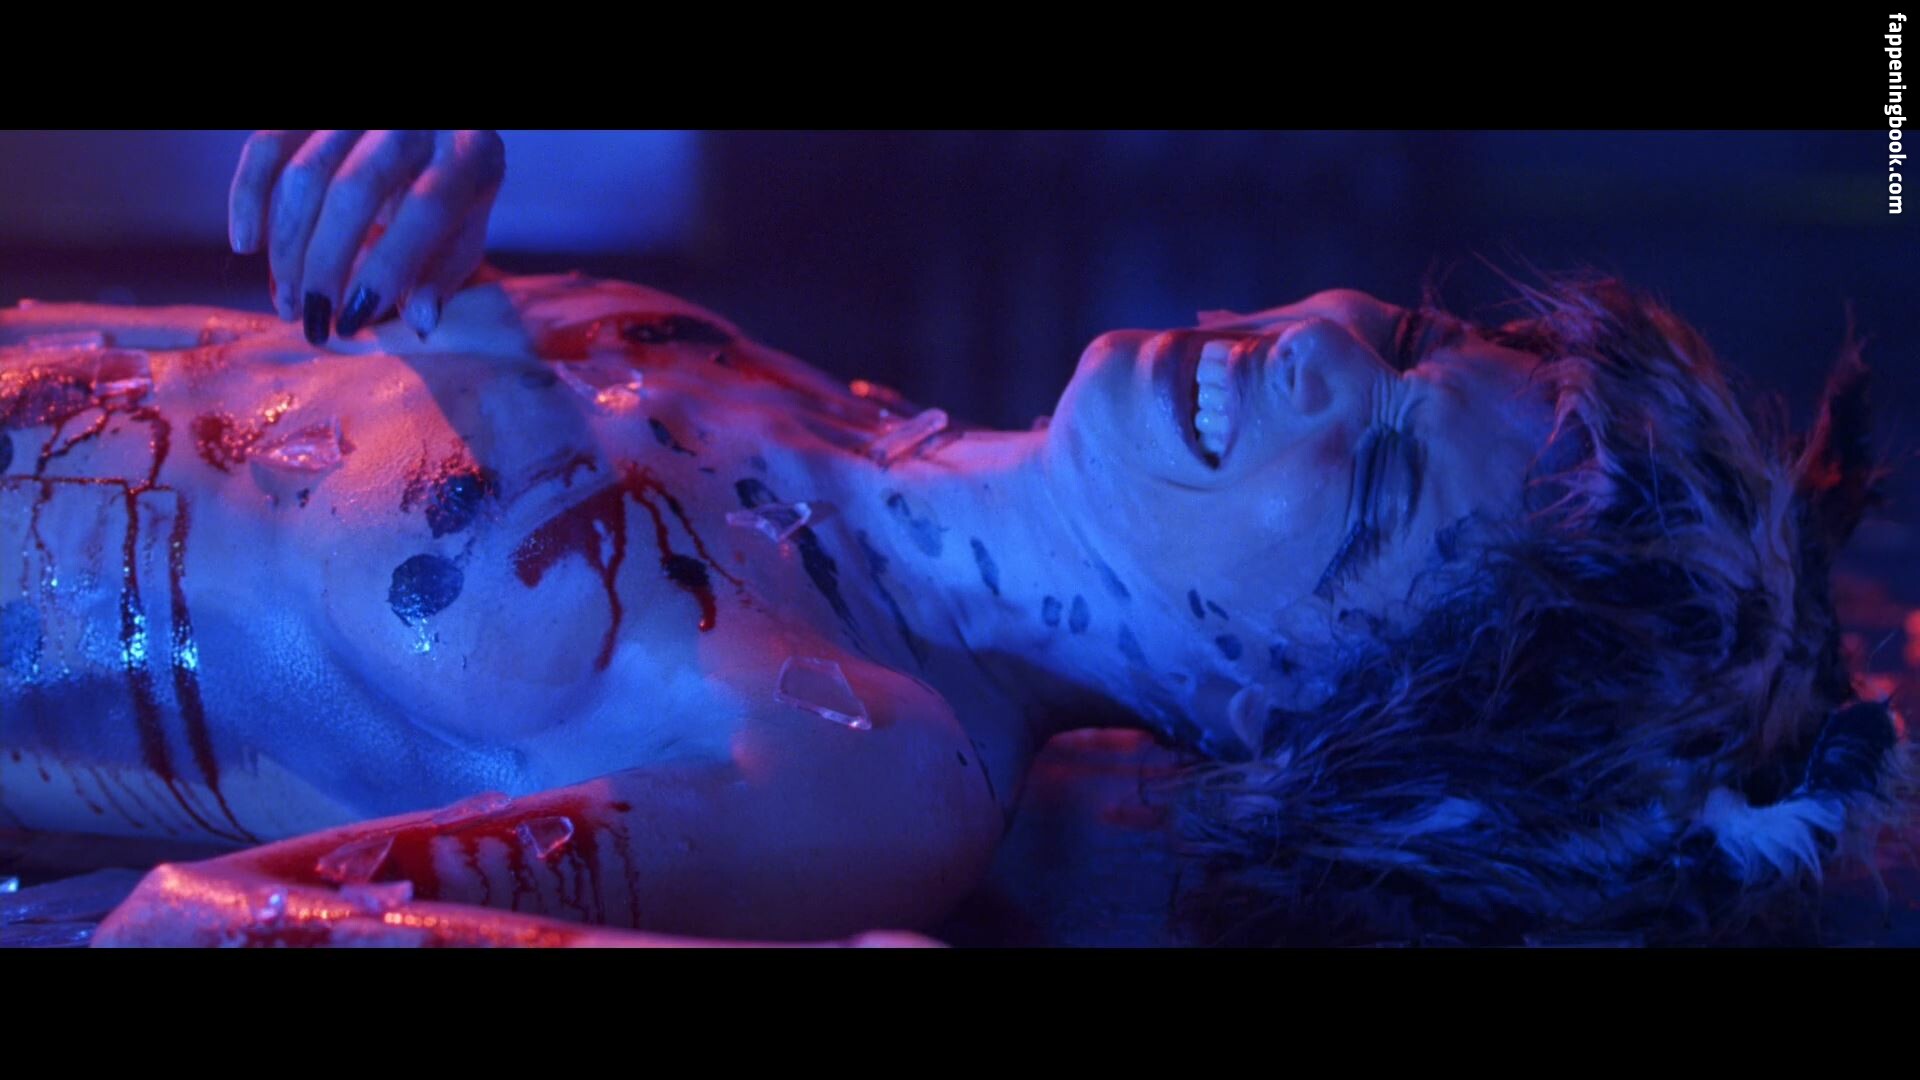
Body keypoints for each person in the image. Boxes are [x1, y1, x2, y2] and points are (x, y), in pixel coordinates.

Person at [0, 132, 1903, 947]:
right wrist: (409, 231)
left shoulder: (867, 762)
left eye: (1374, 488)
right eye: (1408, 342)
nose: (1325, 346)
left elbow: (172, 930)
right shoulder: (819, 409)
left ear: (1325, 714)